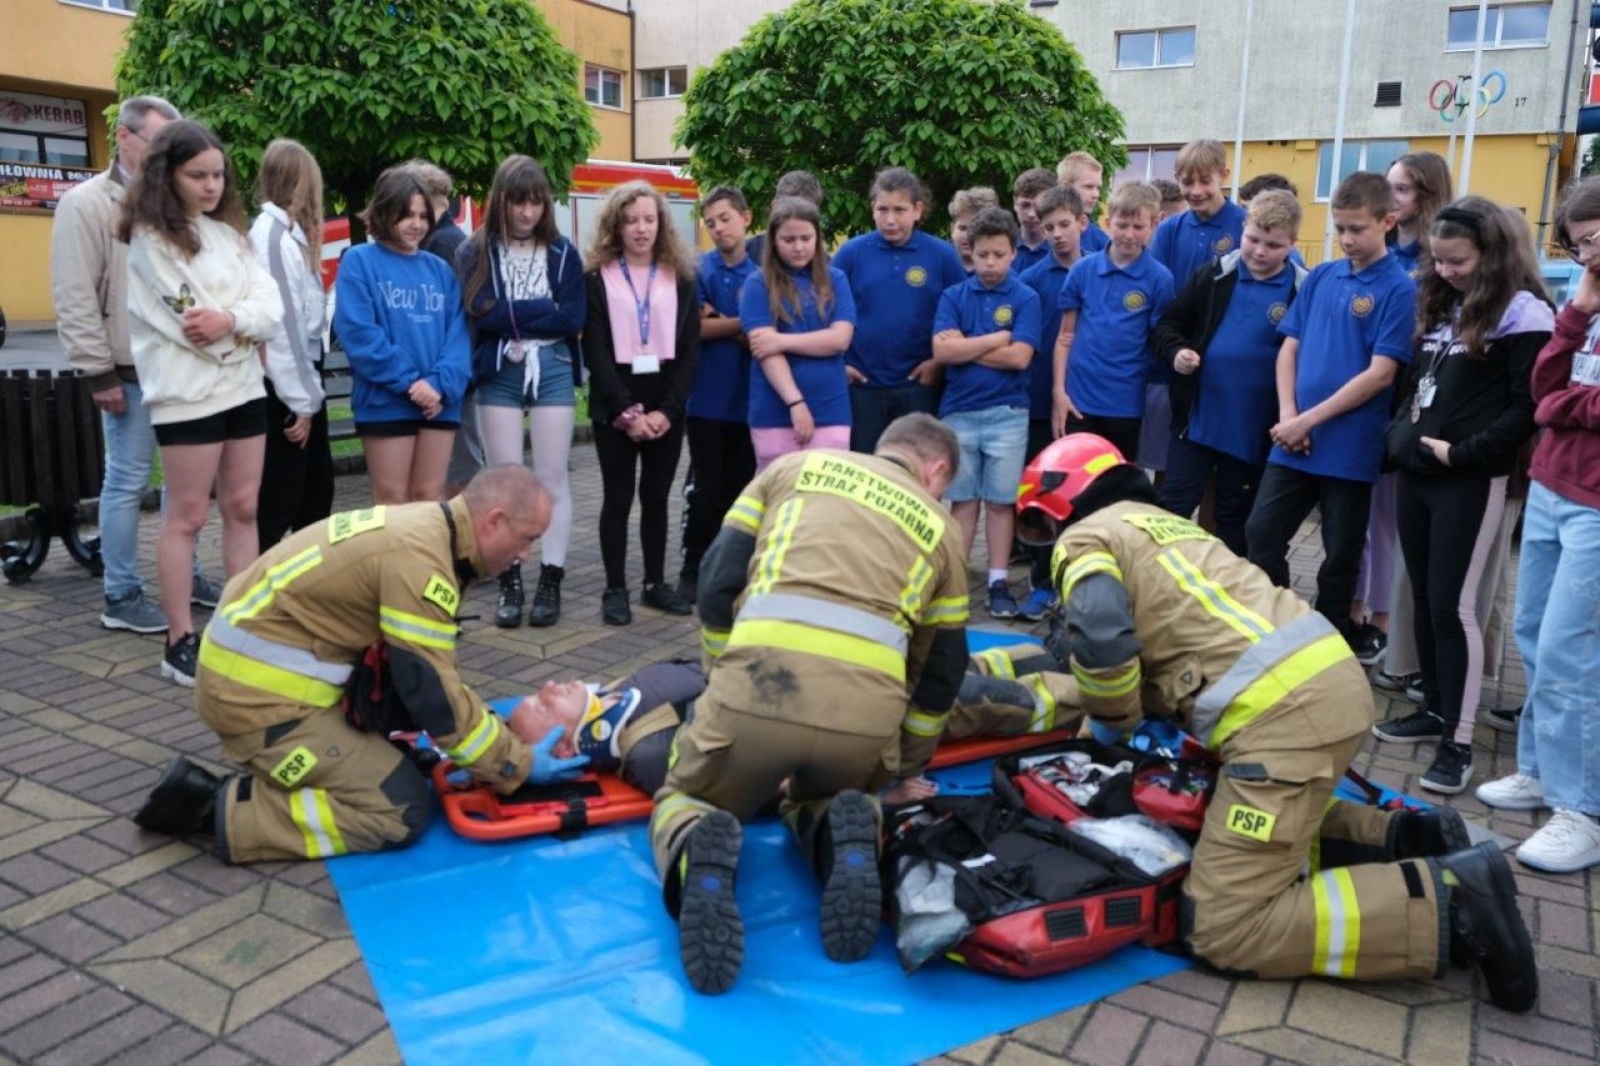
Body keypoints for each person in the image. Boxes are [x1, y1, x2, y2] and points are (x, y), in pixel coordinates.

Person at [1016, 433, 1537, 1013]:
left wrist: (1109, 724)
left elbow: (1104, 638)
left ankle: (1456, 903)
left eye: (1039, 523)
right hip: (1330, 685)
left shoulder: (1087, 537)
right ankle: (1408, 838)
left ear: (1063, 499)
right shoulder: (1166, 524)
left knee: (1222, 924)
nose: (1044, 539)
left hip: (1281, 721)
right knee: (1261, 811)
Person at [652, 414, 970, 995]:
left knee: (687, 794)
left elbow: (718, 579)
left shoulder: (792, 469)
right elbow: (942, 669)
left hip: (757, 692)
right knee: (829, 795)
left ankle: (698, 847)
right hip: (863, 722)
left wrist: (721, 676)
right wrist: (902, 764)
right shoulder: (942, 527)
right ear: (937, 470)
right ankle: (842, 832)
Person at [131, 466, 587, 861]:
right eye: (527, 539)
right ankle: (216, 807)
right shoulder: (423, 561)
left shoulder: (429, 530)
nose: (525, 556)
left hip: (254, 680)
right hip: (256, 705)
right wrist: (514, 766)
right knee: (399, 807)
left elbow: (432, 674)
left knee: (408, 738)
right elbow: (431, 693)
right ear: (494, 521)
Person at [1372, 198, 1549, 796]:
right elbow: (1416, 387)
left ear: (1492, 255)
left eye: (1459, 262)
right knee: (1425, 599)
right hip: (1418, 474)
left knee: (1454, 607)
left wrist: (1463, 453)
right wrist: (1399, 437)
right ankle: (1434, 706)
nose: (1446, 272)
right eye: (1439, 261)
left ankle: (1460, 741)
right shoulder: (1445, 304)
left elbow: (1527, 408)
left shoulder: (1524, 313)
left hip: (1469, 481)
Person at [119, 120, 285, 687]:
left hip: (244, 389)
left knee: (243, 507)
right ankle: (179, 640)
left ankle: (241, 629)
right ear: (168, 175)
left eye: (218, 175)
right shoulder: (150, 240)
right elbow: (193, 325)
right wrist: (243, 329)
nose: (212, 186)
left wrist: (233, 319)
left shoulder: (230, 236)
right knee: (187, 516)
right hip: (187, 396)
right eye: (198, 175)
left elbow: (270, 306)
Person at [51, 94, 223, 634]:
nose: (169, 155)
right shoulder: (86, 204)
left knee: (183, 486)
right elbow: (74, 294)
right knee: (126, 481)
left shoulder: (172, 199)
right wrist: (97, 371)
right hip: (126, 372)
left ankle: (185, 576)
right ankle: (121, 593)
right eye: (159, 142)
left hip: (181, 368)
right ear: (124, 137)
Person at [503, 642, 1081, 800]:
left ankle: (1044, 657)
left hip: (822, 672)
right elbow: (764, 788)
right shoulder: (650, 756)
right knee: (981, 699)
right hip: (844, 715)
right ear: (569, 749)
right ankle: (1097, 693)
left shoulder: (624, 691)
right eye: (544, 705)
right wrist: (878, 787)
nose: (549, 686)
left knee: (957, 664)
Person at [1474, 178, 1600, 873]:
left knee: (1571, 651)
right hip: (1553, 485)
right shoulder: (1585, 299)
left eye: (1594, 241)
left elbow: (1560, 403)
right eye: (1577, 247)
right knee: (1534, 635)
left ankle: (1582, 809)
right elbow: (1543, 386)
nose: (1586, 257)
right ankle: (1542, 770)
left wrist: (1560, 407)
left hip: (1594, 503)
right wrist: (1577, 312)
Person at [1245, 172, 1416, 649]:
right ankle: (1283, 630)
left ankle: (1330, 642)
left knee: (1340, 554)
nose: (1346, 239)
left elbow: (1381, 374)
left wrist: (1308, 419)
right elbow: (1289, 349)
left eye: (1357, 229)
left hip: (1349, 445)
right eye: (1339, 228)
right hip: (1294, 440)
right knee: (1261, 534)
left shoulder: (1399, 289)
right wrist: (1288, 415)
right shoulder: (1322, 275)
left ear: (1387, 221)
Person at [456, 155, 585, 629]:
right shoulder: (477, 250)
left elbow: (571, 317)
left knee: (552, 478)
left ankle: (551, 578)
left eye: (536, 203)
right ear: (501, 202)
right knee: (504, 481)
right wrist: (538, 307)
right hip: (499, 369)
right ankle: (509, 578)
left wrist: (510, 313)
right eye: (518, 203)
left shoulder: (563, 252)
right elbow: (481, 311)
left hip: (551, 366)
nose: (528, 213)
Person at [1157, 190, 1308, 557]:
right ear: (1243, 229)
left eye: (1273, 245)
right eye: (1253, 239)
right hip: (1196, 420)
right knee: (1172, 510)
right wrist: (1177, 353)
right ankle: (1158, 583)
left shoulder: (1302, 289)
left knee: (1233, 519)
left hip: (1253, 429)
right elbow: (1168, 326)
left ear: (1292, 243)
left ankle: (1224, 587)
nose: (1259, 251)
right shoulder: (1213, 274)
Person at [583, 180, 700, 626]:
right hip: (616, 402)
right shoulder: (597, 278)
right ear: (616, 225)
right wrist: (626, 411)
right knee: (618, 498)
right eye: (631, 220)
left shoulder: (680, 277)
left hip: (664, 401)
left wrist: (668, 411)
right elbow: (595, 350)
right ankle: (615, 588)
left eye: (649, 219)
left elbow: (690, 350)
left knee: (656, 498)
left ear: (661, 224)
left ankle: (655, 583)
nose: (641, 228)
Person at [334, 166, 472, 505]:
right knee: (392, 500)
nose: (417, 224)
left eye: (423, 216)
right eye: (407, 214)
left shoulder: (440, 269)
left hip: (438, 404)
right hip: (386, 403)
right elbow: (359, 334)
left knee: (429, 499)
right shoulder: (359, 261)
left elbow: (459, 336)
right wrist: (412, 384)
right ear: (384, 212)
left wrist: (438, 385)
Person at [932, 206, 1041, 619]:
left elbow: (1020, 358)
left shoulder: (1025, 297)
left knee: (999, 502)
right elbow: (942, 352)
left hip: (1007, 414)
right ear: (970, 252)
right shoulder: (953, 296)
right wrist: (996, 339)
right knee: (962, 501)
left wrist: (966, 346)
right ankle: (955, 581)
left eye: (999, 254)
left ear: (1013, 252)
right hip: (958, 413)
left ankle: (997, 581)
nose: (990, 263)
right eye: (982, 255)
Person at [833, 167, 965, 452]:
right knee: (865, 467)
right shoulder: (851, 254)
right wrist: (839, 364)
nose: (890, 219)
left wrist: (938, 364)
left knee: (912, 465)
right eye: (883, 209)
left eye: (899, 210)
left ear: (917, 210)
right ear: (872, 209)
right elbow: (824, 311)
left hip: (918, 386)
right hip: (862, 386)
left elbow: (963, 315)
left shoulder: (942, 255)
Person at [249, 139, 334, 551]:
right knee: (281, 499)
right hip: (284, 388)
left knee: (314, 496)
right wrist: (302, 402)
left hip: (299, 382)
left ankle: (306, 581)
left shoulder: (289, 237)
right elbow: (283, 329)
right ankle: (257, 584)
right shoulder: (274, 239)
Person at [1147, 140, 1249, 481]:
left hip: (1225, 364)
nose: (1196, 191)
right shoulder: (1169, 230)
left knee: (1220, 472)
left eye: (1205, 181)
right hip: (1176, 360)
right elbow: (1159, 297)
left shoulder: (1245, 226)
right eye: (1187, 182)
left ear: (1224, 175)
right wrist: (1172, 346)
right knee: (1169, 463)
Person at [1052, 181, 1175, 460]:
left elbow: (1159, 339)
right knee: (1076, 478)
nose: (1129, 234)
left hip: (1126, 403)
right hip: (1078, 400)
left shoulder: (1160, 279)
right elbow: (1064, 338)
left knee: (1117, 480)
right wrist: (1059, 391)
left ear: (1154, 225)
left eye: (1138, 226)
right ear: (1108, 222)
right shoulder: (1082, 270)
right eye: (1122, 225)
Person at [679, 186, 759, 603]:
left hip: (751, 404)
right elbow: (695, 328)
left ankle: (732, 572)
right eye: (710, 223)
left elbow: (765, 335)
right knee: (705, 490)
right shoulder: (697, 269)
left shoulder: (762, 274)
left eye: (725, 219)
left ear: (746, 218)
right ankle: (693, 567)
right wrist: (742, 323)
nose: (718, 228)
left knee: (741, 491)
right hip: (706, 401)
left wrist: (719, 318)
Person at [738, 196, 857, 470]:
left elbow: (839, 340)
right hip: (774, 411)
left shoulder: (836, 279)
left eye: (806, 238)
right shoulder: (758, 284)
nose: (799, 247)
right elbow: (765, 351)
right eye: (788, 240)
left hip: (831, 408)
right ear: (773, 240)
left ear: (817, 238)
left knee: (826, 493)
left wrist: (781, 340)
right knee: (779, 491)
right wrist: (796, 403)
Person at [1016, 184, 1089, 620]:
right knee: (1043, 496)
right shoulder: (1029, 282)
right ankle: (1042, 581)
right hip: (1040, 404)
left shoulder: (1098, 271)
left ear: (1082, 223)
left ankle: (1082, 581)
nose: (1057, 234)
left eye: (1065, 224)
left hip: (1088, 402)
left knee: (1083, 495)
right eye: (1049, 227)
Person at [408, 160, 483, 497]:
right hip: (452, 378)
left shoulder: (441, 244)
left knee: (460, 474)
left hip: (452, 382)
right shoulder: (449, 239)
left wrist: (443, 383)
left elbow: (457, 319)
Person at [1057, 151, 1109, 255]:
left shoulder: (1101, 240)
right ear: (1065, 187)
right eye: (1088, 187)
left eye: (1098, 188)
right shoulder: (1042, 233)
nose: (1096, 195)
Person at [1010, 167, 1058, 274]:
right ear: (1015, 203)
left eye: (1039, 206)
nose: (1031, 214)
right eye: (1025, 205)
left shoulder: (1064, 251)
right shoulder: (1001, 250)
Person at [948, 186, 1000, 274]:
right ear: (952, 229)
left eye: (975, 229)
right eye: (962, 228)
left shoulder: (1000, 272)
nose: (968, 235)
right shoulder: (938, 264)